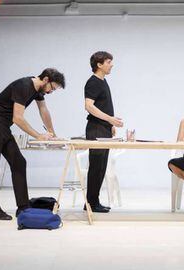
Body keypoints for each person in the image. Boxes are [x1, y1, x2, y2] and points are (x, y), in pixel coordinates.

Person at [0, 68, 65, 220]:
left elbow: (43, 110)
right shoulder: (23, 86)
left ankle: (23, 207)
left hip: (3, 127)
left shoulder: (38, 90)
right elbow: (18, 118)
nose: (51, 92)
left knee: (19, 163)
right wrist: (39, 136)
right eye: (52, 88)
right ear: (46, 79)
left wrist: (53, 134)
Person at [84, 51, 123, 213]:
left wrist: (110, 124)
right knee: (96, 166)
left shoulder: (103, 82)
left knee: (101, 167)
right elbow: (89, 106)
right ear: (99, 65)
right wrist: (110, 119)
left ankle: (93, 201)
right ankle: (91, 204)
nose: (111, 64)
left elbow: (102, 105)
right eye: (108, 61)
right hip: (96, 128)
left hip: (103, 128)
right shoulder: (93, 82)